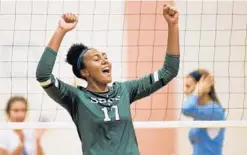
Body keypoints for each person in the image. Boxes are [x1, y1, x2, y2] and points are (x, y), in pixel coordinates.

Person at [36, 4, 180, 155]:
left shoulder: (124, 90)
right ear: (85, 71)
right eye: (97, 59)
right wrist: (61, 30)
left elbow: (169, 71)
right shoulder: (76, 98)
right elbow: (43, 76)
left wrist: (173, 25)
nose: (105, 61)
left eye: (105, 57)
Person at [182, 69, 225, 155]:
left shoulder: (213, 110)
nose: (185, 91)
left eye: (188, 86)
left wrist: (198, 91)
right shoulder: (200, 111)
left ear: (201, 86)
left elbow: (186, 109)